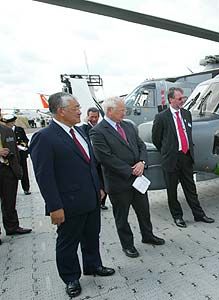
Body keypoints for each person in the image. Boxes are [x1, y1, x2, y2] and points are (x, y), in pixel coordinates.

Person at [29, 92, 114, 298]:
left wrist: (99, 187)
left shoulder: (81, 132)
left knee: (91, 236)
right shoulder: (44, 138)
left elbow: (91, 163)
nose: (80, 111)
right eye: (75, 108)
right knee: (68, 243)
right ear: (61, 111)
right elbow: (44, 177)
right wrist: (54, 207)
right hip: (68, 203)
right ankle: (71, 278)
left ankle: (93, 265)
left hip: (91, 197)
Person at [90, 96, 165, 259]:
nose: (125, 112)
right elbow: (105, 157)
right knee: (121, 216)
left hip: (138, 180)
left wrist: (142, 163)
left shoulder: (128, 126)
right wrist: (130, 170)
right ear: (109, 111)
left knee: (144, 211)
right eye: (121, 110)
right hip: (119, 182)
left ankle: (148, 235)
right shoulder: (98, 131)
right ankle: (128, 245)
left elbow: (141, 145)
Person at [152, 87, 214, 228]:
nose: (182, 101)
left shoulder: (186, 114)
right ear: (171, 100)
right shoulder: (161, 117)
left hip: (186, 157)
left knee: (191, 188)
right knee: (172, 191)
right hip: (171, 159)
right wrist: (167, 151)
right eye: (179, 99)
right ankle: (178, 217)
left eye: (183, 98)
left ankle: (199, 214)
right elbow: (156, 139)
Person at [0, 116, 32, 246]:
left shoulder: (7, 130)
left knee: (9, 200)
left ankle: (12, 226)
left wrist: (17, 169)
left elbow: (15, 151)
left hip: (7, 170)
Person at [80, 107, 108, 210]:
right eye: (92, 117)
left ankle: (102, 202)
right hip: (91, 160)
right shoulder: (84, 128)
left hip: (101, 159)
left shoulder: (101, 127)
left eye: (96, 117)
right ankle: (96, 200)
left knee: (104, 181)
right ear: (88, 116)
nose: (94, 119)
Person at [2, 115, 31, 195]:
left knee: (24, 171)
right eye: (7, 123)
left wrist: (22, 146)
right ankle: (10, 190)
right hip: (9, 156)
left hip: (21, 154)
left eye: (11, 123)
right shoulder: (4, 131)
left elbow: (25, 140)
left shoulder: (19, 130)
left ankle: (26, 188)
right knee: (10, 173)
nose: (9, 125)